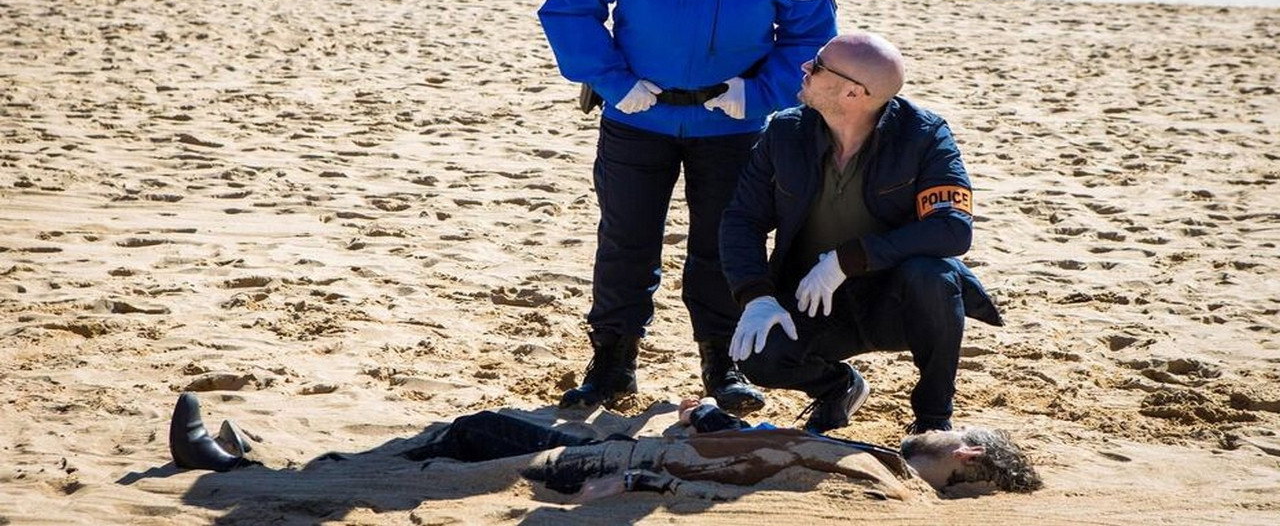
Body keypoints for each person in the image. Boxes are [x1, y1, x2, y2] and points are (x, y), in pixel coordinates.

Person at [538, 0, 837, 416]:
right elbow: (568, 9)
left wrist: (758, 93)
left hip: (731, 126)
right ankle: (612, 366)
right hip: (637, 119)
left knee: (722, 246)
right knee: (626, 241)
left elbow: (814, 36)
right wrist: (616, 83)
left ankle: (722, 366)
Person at [720, 32, 1003, 435]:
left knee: (935, 276)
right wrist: (756, 296)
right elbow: (742, 219)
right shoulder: (784, 133)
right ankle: (839, 387)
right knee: (759, 354)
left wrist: (846, 260)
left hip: (898, 303)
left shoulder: (924, 136)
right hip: (815, 300)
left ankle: (933, 419)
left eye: (817, 65)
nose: (805, 68)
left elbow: (952, 229)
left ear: (854, 93)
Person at [168, 392, 1041, 498]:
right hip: (632, 464)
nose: (933, 425)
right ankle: (269, 467)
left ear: (963, 456)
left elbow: (734, 460)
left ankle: (244, 474)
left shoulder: (873, 470)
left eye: (949, 430)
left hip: (611, 471)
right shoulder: (877, 476)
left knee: (471, 435)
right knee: (467, 439)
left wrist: (703, 423)